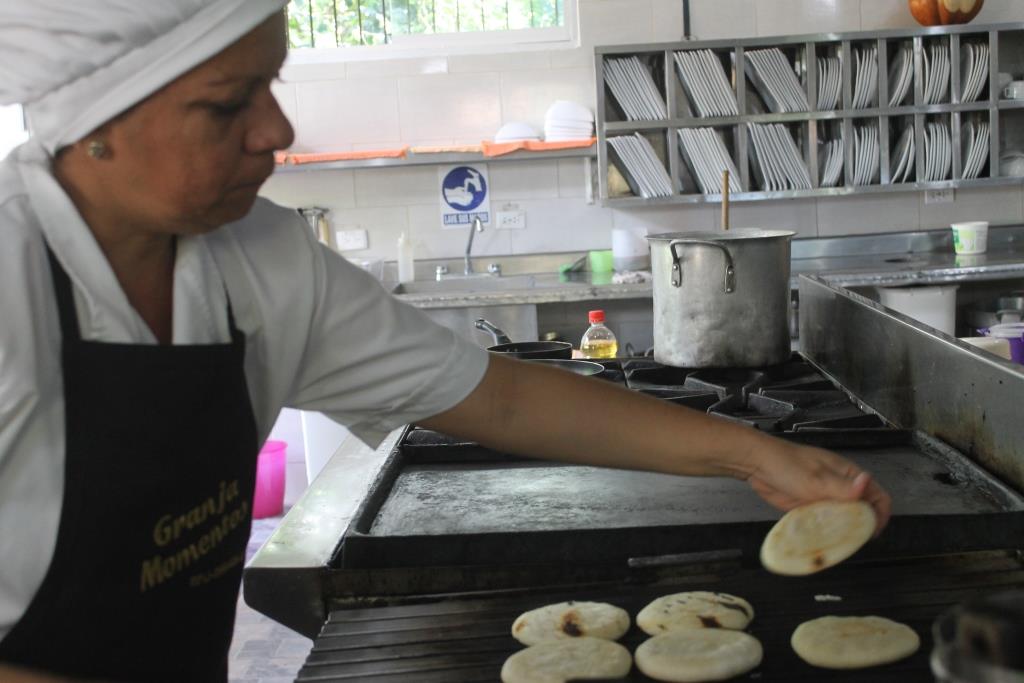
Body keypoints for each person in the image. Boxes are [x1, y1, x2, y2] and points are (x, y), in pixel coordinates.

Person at [0, 2, 891, 681]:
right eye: (227, 103)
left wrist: (753, 457)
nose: (275, 131)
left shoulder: (258, 261)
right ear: (96, 123)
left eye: (270, 86)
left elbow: (497, 394)